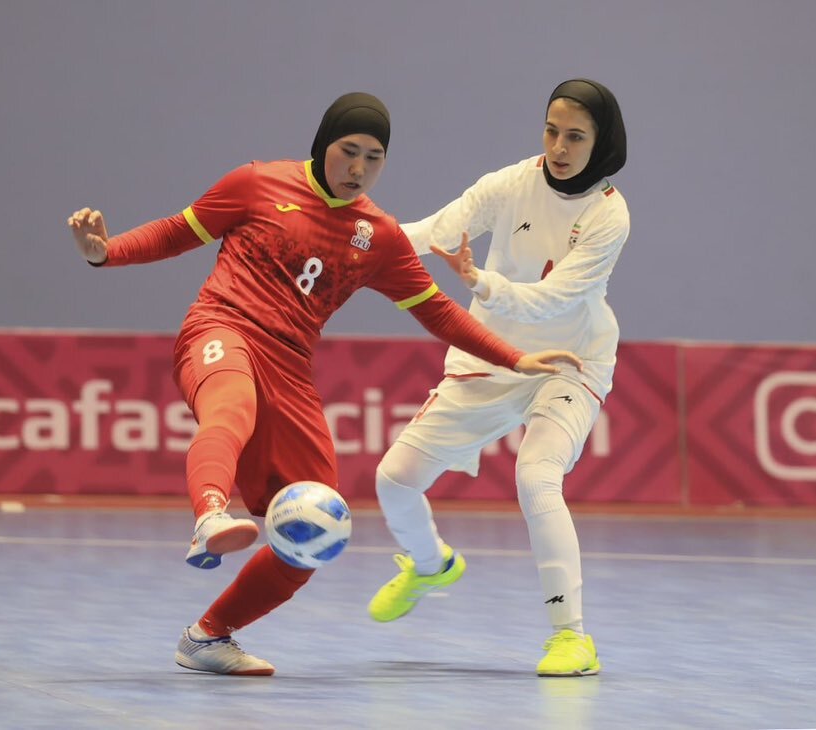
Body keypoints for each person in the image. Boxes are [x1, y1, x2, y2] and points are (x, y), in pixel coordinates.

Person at [68, 92, 582, 676]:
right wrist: (105, 253)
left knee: (316, 527)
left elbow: (439, 312)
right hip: (221, 327)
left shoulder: (378, 236)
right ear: (323, 146)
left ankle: (208, 638)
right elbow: (174, 233)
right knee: (230, 406)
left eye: (374, 157)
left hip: (289, 367)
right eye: (348, 151)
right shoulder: (255, 182)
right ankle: (210, 516)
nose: (359, 168)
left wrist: (515, 358)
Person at [366, 79, 629, 677]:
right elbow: (435, 229)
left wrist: (481, 283)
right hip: (492, 355)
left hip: (570, 360)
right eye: (551, 130)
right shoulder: (510, 183)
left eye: (576, 136)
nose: (559, 146)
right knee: (395, 479)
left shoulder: (609, 215)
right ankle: (430, 564)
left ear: (602, 142)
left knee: (537, 475)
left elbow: (554, 297)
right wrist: (356, 240)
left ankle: (571, 637)